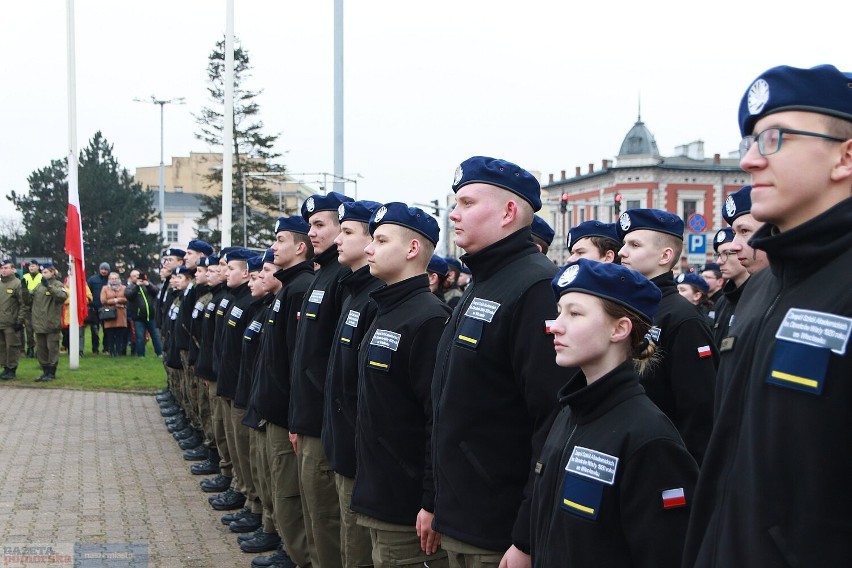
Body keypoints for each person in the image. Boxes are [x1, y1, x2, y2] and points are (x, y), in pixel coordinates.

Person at [683, 64, 852, 567]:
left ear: (845, 155)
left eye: (775, 139)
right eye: (750, 142)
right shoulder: (761, 290)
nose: (752, 161)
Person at [431, 156, 570, 568]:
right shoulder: (487, 280)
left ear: (509, 212)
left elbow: (553, 420)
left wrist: (525, 535)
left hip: (499, 530)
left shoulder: (536, 287)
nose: (454, 213)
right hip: (464, 514)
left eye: (468, 203)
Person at [531, 259, 698, 568]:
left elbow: (668, 553)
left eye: (575, 313)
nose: (556, 325)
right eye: (559, 312)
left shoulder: (648, 436)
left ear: (620, 329)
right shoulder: (570, 412)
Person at [352, 203, 452, 567]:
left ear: (412, 249)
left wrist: (430, 500)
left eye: (380, 240)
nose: (368, 248)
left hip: (405, 504)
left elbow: (436, 418)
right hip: (380, 492)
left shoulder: (427, 318)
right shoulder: (387, 309)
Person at [616, 209, 717, 465]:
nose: (622, 252)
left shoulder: (681, 318)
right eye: (625, 243)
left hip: (661, 459)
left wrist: (685, 471)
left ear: (665, 255)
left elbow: (698, 410)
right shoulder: (630, 308)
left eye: (634, 244)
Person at [289, 191, 353, 568]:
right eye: (309, 225)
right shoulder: (321, 274)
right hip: (307, 414)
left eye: (320, 225)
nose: (311, 232)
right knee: (315, 512)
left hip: (323, 417)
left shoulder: (341, 277)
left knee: (326, 517)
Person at [247, 216, 315, 567]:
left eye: (280, 240)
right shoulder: (289, 288)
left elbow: (297, 361)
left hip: (285, 412)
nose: (273, 247)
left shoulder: (301, 288)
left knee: (288, 492)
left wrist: (292, 415)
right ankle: (289, 548)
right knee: (277, 484)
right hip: (273, 407)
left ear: (300, 247)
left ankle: (296, 555)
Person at [322, 200, 383, 568]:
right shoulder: (352, 291)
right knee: (343, 534)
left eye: (347, 232)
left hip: (357, 448)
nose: (337, 240)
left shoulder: (374, 297)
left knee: (355, 543)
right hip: (340, 437)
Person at [708, 227, 748, 349]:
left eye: (727, 254)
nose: (719, 261)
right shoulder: (723, 301)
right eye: (718, 255)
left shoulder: (758, 296)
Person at [30, 262, 67, 382]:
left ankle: (51, 372)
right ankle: (44, 371)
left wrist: (49, 287)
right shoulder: (38, 286)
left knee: (52, 348)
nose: (43, 274)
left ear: (52, 272)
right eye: (42, 272)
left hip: (51, 324)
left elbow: (62, 296)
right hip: (39, 323)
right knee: (41, 349)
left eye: (45, 272)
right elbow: (30, 300)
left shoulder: (58, 284)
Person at [0, 259, 29, 380]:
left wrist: (19, 321)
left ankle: (12, 369)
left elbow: (24, 304)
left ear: (13, 269)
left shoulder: (18, 284)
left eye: (6, 268)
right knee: (1, 347)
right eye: (2, 268)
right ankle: (5, 368)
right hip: (0, 322)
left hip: (11, 323)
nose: (3, 270)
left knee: (12, 346)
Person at [124, 269, 162, 357]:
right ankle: (141, 355)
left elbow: (156, 291)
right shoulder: (130, 287)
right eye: (134, 276)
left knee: (156, 336)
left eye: (138, 275)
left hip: (151, 316)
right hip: (138, 317)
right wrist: (137, 286)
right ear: (131, 278)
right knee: (140, 337)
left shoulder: (147, 284)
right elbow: (128, 295)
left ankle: (160, 353)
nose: (137, 277)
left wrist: (148, 284)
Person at [60, 273, 92, 357]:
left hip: (80, 314)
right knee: (68, 334)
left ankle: (80, 351)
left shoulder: (83, 286)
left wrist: (82, 300)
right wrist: (76, 299)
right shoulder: (64, 289)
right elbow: (63, 300)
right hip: (68, 315)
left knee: (80, 334)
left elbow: (89, 298)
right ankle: (71, 350)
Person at [100, 272, 128, 357]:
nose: (114, 280)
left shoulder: (124, 288)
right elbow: (103, 300)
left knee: (120, 334)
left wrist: (113, 300)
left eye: (115, 278)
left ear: (119, 279)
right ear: (109, 279)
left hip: (121, 314)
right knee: (110, 335)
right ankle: (111, 352)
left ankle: (119, 352)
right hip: (109, 314)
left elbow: (126, 299)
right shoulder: (105, 288)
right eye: (112, 278)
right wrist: (116, 301)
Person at [87, 261, 110, 355]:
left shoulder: (110, 280)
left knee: (107, 330)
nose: (104, 271)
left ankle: (106, 348)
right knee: (94, 331)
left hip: (106, 308)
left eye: (105, 269)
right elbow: (87, 291)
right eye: (102, 269)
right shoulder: (92, 279)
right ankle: (95, 349)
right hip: (94, 309)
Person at [22, 259, 42, 358]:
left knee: (38, 329)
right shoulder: (25, 277)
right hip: (28, 307)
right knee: (29, 330)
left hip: (38, 306)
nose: (31, 267)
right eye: (30, 266)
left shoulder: (41, 277)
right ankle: (30, 348)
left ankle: (40, 349)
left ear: (38, 267)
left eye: (33, 266)